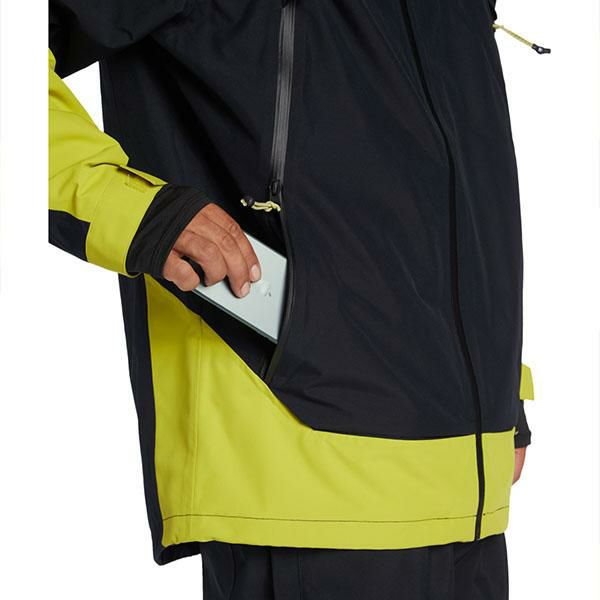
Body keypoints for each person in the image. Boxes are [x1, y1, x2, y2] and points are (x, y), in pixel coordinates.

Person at [49, 1, 534, 598]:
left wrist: (500, 393)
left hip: (469, 488)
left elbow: (440, 184)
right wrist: (131, 209)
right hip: (305, 458)